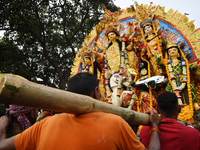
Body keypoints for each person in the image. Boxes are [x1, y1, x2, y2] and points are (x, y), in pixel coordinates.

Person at [0, 72, 160, 150]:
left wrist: (3, 125)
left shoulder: (44, 125)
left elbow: (2, 145)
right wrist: (153, 126)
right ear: (96, 92)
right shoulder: (116, 123)